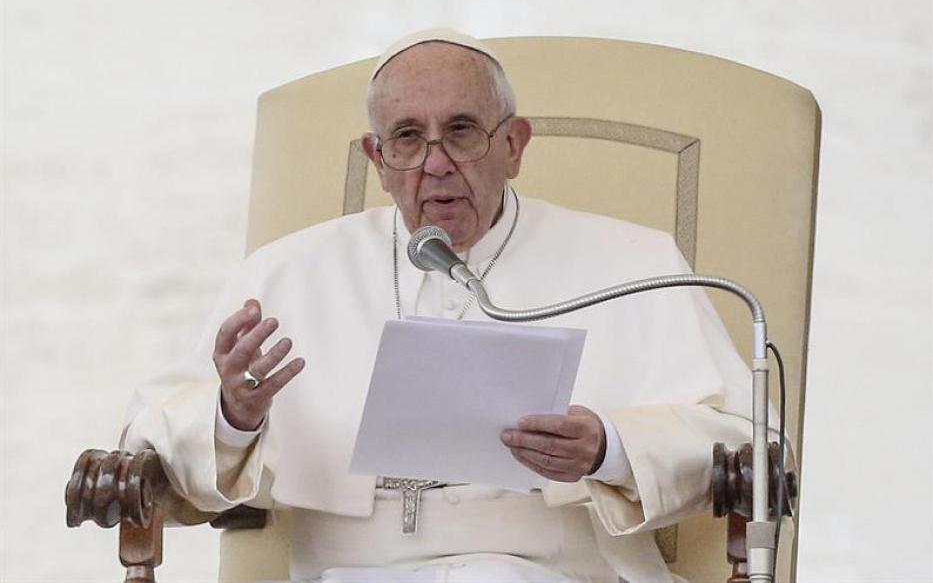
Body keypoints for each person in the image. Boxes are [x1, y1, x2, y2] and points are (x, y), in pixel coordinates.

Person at [123, 29, 755, 583]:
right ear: (377, 160)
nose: (436, 163)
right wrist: (234, 415)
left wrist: (609, 449)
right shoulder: (286, 272)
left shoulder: (634, 263)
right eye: (406, 138)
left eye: (461, 132)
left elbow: (747, 441)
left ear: (514, 144)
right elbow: (153, 437)